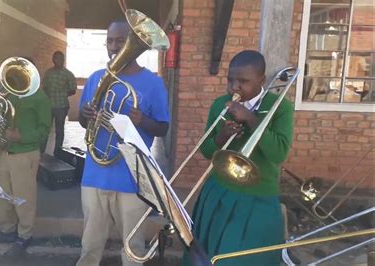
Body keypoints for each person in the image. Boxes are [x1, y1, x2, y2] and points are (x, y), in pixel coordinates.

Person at [182, 50, 294, 266]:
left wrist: (250, 119)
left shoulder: (280, 107)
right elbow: (206, 151)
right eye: (230, 79)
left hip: (258, 197)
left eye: (243, 81)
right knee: (208, 256)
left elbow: (279, 153)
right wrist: (221, 137)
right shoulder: (220, 104)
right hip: (219, 193)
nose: (234, 87)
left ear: (261, 81)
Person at [76, 20, 170, 266]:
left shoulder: (153, 83)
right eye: (110, 40)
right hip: (95, 175)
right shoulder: (96, 78)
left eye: (121, 40)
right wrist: (87, 118)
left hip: (131, 177)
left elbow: (163, 127)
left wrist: (142, 120)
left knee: (133, 249)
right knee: (89, 246)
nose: (114, 46)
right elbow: (86, 126)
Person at [0, 56, 52, 256]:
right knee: (2, 194)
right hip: (6, 152)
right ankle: (8, 230)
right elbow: (0, 115)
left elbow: (44, 130)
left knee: (24, 197)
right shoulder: (8, 94)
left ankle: (25, 235)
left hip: (25, 153)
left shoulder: (40, 98)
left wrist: (22, 136)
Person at [42, 51, 77, 156]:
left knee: (59, 130)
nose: (59, 61)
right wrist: (48, 95)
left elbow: (73, 90)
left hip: (61, 106)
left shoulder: (68, 74)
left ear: (63, 60)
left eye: (61, 59)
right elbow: (44, 86)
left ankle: (58, 153)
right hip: (48, 106)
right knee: (45, 129)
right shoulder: (48, 73)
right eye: (57, 58)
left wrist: (63, 94)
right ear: (53, 60)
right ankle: (41, 152)